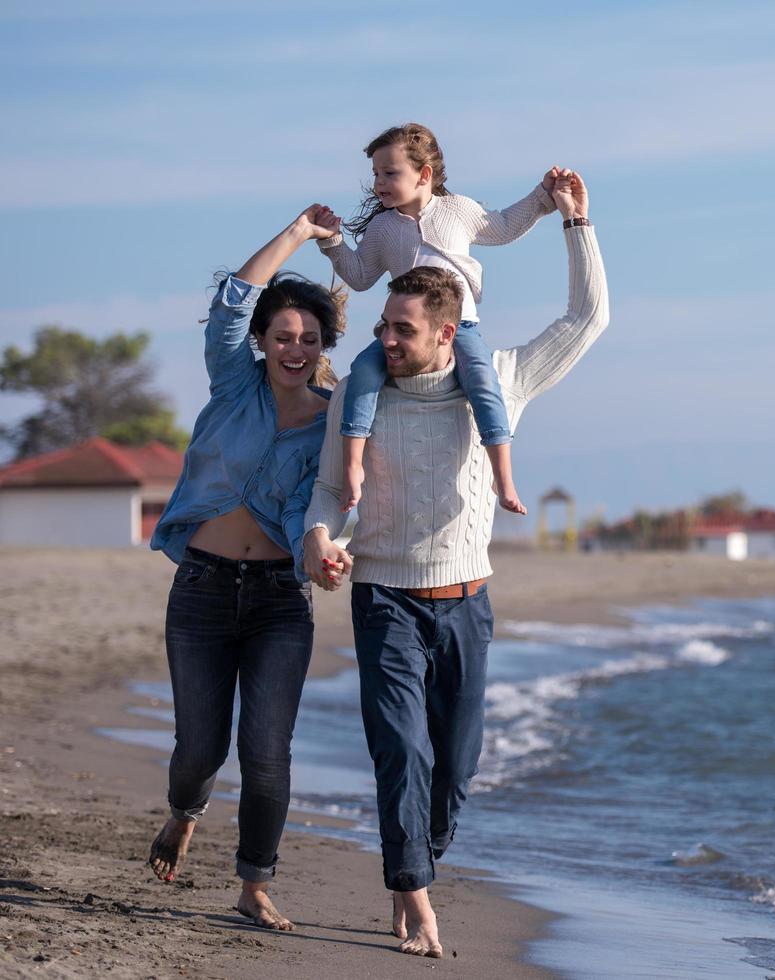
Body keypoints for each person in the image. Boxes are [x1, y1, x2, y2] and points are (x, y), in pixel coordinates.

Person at [302, 171, 605, 958]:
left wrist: (577, 225)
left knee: (455, 768)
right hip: (384, 599)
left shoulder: (499, 379)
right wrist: (318, 537)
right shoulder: (358, 399)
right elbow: (333, 489)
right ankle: (412, 891)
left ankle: (418, 857)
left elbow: (586, 317)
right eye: (384, 325)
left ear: (446, 333)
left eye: (402, 330)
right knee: (399, 748)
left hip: (467, 601)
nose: (385, 341)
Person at [146, 207, 355, 931]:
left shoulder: (335, 423)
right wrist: (300, 233)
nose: (295, 348)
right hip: (200, 590)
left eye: (309, 338)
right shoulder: (233, 387)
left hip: (276, 602)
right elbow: (233, 300)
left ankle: (254, 885)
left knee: (265, 751)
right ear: (262, 342)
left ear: (325, 343)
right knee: (197, 747)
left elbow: (313, 510)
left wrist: (320, 553)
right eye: (282, 336)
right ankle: (185, 812)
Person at [312, 122, 563, 516]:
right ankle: (353, 466)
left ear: (423, 174)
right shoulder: (382, 228)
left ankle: (503, 475)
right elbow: (360, 277)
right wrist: (332, 243)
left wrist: (542, 195)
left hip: (458, 327)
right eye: (376, 174)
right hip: (404, 332)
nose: (379, 183)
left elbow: (504, 226)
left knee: (482, 380)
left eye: (390, 173)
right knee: (362, 371)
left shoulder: (457, 210)